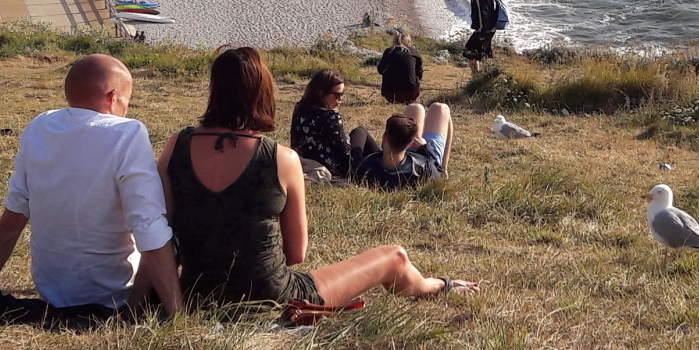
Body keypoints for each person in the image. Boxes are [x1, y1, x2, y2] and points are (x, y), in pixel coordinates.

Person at [159, 48, 474, 310]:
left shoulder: (176, 146)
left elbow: (163, 231)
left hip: (196, 292)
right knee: (395, 257)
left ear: (214, 90)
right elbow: (295, 254)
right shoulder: (280, 158)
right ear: (263, 93)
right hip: (271, 294)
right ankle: (437, 285)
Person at [0, 55, 180, 323]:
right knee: (164, 225)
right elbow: (148, 226)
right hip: (112, 294)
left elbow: (14, 217)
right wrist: (177, 314)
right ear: (112, 97)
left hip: (51, 292)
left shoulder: (39, 126)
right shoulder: (127, 133)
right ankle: (144, 308)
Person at [349, 102, 453, 190]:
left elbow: (359, 132)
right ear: (411, 143)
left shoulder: (364, 168)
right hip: (423, 158)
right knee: (440, 108)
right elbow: (439, 176)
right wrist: (422, 149)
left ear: (384, 137)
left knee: (414, 107)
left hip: (408, 156)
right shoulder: (425, 167)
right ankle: (445, 168)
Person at [289, 68, 349, 179]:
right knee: (360, 132)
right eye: (337, 95)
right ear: (321, 93)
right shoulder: (331, 116)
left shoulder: (299, 109)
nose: (340, 99)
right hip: (333, 169)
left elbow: (295, 142)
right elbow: (344, 154)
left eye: (342, 94)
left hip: (304, 162)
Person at [461, 0, 502, 76]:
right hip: (490, 27)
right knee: (485, 54)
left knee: (469, 52)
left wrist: (482, 32)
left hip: (484, 29)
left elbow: (482, 12)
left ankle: (477, 77)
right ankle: (488, 77)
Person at [376, 29, 423, 105]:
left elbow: (380, 70)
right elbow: (419, 74)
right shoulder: (414, 52)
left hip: (390, 94)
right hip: (411, 93)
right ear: (409, 41)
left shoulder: (389, 51)